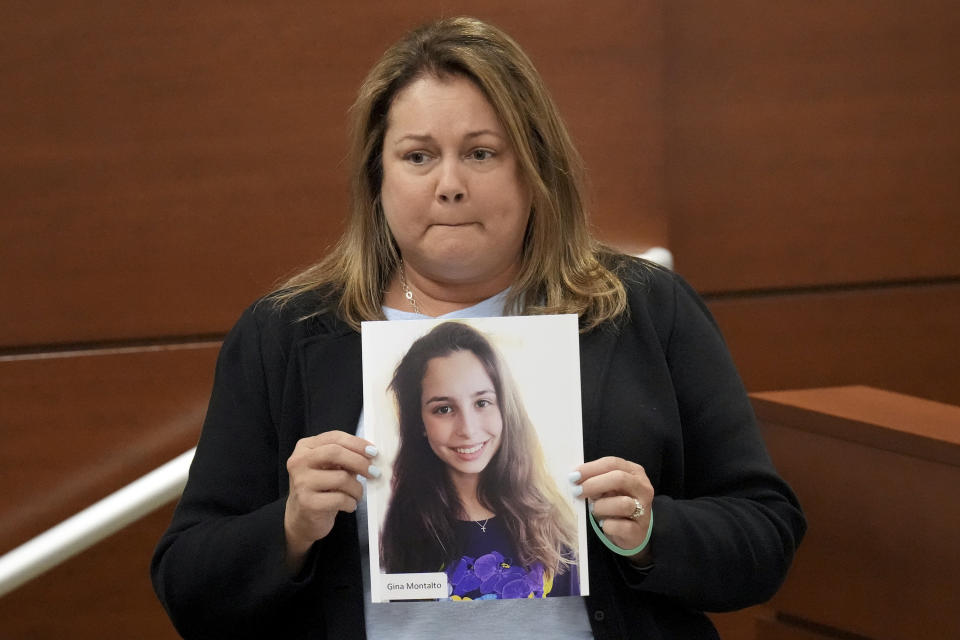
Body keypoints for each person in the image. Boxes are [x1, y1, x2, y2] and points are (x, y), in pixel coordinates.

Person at [151, 15, 806, 640]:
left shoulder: (644, 310)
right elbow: (188, 584)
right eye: (417, 157)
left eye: (482, 153)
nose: (450, 185)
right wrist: (291, 528)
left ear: (534, 168)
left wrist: (652, 529)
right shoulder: (286, 335)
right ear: (377, 179)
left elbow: (766, 534)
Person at [379, 321, 579, 599]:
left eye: (482, 403)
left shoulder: (550, 519)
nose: (468, 429)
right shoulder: (403, 526)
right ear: (419, 423)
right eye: (444, 409)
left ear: (505, 408)